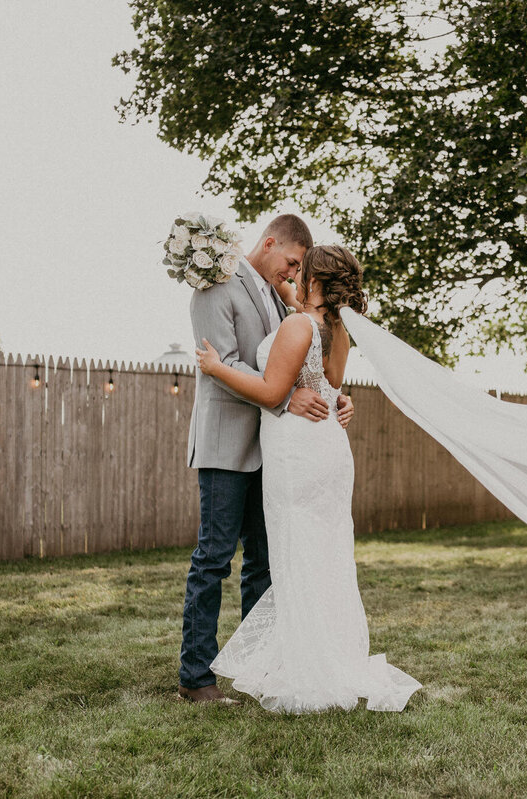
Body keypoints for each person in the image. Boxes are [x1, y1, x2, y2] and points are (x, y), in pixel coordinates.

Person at [197, 244, 421, 712]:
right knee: (324, 555)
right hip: (328, 451)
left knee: (296, 555)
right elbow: (332, 381)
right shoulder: (334, 327)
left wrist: (217, 367)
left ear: (313, 280)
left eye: (302, 271)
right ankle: (325, 657)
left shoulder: (298, 324)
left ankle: (304, 666)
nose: (293, 276)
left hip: (297, 452)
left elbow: (272, 390)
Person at [178, 215, 355, 705]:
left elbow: (306, 361)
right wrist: (284, 400)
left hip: (278, 452)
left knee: (264, 563)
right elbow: (222, 364)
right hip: (226, 445)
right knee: (213, 560)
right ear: (270, 242)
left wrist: (331, 395)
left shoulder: (289, 300)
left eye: (302, 269)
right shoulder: (217, 285)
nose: (294, 274)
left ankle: (262, 669)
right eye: (291, 262)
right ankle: (196, 676)